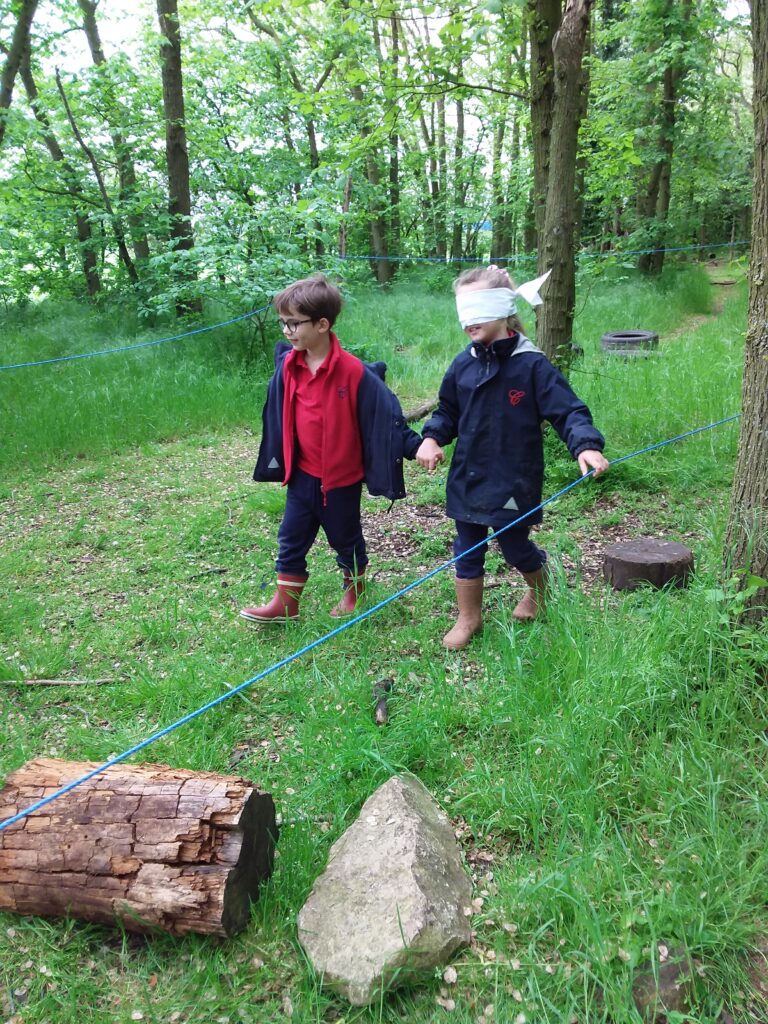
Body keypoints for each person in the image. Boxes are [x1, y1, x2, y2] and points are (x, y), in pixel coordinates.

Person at [416, 265, 609, 650]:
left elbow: (568, 410)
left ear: (504, 308)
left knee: (514, 543)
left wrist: (585, 443)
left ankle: (541, 589)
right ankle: (469, 616)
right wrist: (432, 438)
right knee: (467, 544)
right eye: (464, 312)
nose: (469, 321)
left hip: (514, 477)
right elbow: (447, 412)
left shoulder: (531, 365)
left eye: (479, 310)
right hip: (468, 476)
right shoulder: (462, 364)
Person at [240, 274, 421, 624]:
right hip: (301, 475)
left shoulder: (354, 373)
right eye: (283, 323)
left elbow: (387, 418)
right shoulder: (288, 366)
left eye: (294, 323)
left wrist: (417, 447)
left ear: (322, 324)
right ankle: (286, 603)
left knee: (346, 539)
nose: (287, 331)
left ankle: (355, 591)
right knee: (291, 538)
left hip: (340, 481)